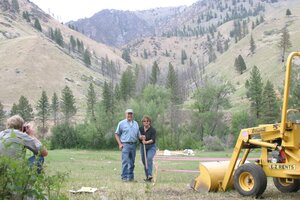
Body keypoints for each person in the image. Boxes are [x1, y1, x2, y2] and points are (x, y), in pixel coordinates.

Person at [115, 109, 141, 182]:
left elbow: (138, 134)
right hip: (125, 144)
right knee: (125, 161)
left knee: (132, 162)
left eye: (131, 114)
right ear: (125, 114)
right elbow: (116, 134)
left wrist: (141, 137)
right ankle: (124, 177)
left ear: (133, 115)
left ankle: (130, 177)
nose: (129, 115)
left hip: (133, 145)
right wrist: (120, 144)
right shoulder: (121, 123)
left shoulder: (136, 123)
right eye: (128, 114)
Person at [139, 115, 157, 182]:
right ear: (142, 122)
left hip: (151, 146)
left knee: (149, 158)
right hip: (142, 147)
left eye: (147, 121)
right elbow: (138, 136)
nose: (146, 122)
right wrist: (140, 137)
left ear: (150, 122)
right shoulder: (140, 129)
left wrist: (146, 142)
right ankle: (148, 177)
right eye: (144, 121)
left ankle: (150, 175)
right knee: (144, 161)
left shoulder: (153, 130)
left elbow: (153, 140)